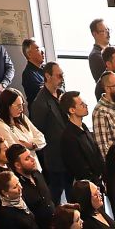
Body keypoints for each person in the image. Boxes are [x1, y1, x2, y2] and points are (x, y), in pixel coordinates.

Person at [29, 63, 70, 198]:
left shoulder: (62, 94)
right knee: (56, 191)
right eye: (59, 76)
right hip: (55, 156)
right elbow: (39, 132)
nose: (62, 78)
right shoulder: (39, 103)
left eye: (62, 75)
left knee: (71, 188)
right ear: (48, 76)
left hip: (68, 151)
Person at [56, 90, 105, 187]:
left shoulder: (84, 126)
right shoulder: (68, 137)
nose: (86, 105)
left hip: (99, 180)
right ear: (72, 110)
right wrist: (96, 181)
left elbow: (96, 152)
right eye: (82, 104)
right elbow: (79, 167)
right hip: (88, 185)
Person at [7, 142, 57, 229]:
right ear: (17, 165)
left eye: (30, 155)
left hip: (53, 223)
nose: (33, 159)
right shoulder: (18, 186)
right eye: (27, 158)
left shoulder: (37, 173)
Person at [0, 87, 46, 152]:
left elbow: (41, 138)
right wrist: (33, 141)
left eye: (22, 105)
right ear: (7, 106)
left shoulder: (21, 117)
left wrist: (32, 145)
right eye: (18, 106)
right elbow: (13, 152)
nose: (21, 109)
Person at [18, 37, 47, 104]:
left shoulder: (46, 68)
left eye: (41, 48)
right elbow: (43, 93)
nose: (42, 52)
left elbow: (60, 82)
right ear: (29, 54)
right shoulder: (28, 74)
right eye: (37, 49)